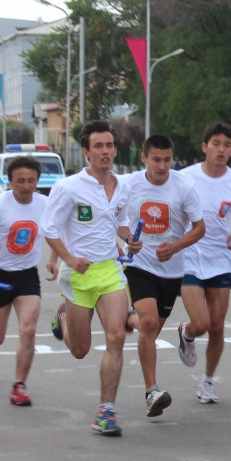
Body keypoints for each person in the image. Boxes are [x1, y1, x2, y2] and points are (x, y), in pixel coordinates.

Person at [40, 120, 136, 435]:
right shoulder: (68, 188)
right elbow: (49, 229)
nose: (105, 151)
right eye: (98, 146)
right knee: (80, 350)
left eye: (109, 145)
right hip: (77, 274)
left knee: (116, 337)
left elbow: (120, 221)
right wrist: (68, 259)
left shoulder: (123, 186)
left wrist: (129, 238)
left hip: (109, 269)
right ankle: (63, 320)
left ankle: (106, 411)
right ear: (86, 151)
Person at [119, 135, 205, 417]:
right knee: (149, 321)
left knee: (150, 328)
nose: (162, 165)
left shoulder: (184, 187)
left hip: (171, 269)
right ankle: (151, 391)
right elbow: (115, 219)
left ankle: (127, 317)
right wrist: (129, 238)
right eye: (156, 159)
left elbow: (199, 228)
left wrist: (176, 246)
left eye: (167, 159)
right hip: (139, 264)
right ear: (144, 158)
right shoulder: (129, 185)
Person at [173, 123, 231, 405]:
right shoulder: (184, 178)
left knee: (218, 328)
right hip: (188, 259)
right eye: (216, 143)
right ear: (204, 146)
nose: (222, 149)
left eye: (227, 145)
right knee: (202, 323)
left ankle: (207, 382)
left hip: (220, 260)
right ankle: (187, 331)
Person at [0, 155, 55, 407]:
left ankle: (19, 386)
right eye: (20, 181)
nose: (26, 186)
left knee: (28, 330)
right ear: (9, 181)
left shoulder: (45, 204)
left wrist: (54, 259)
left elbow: (56, 232)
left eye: (31, 181)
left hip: (27, 276)